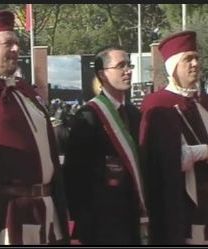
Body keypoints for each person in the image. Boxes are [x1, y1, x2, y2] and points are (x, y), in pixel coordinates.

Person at [0, 10, 69, 245]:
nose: (14, 49)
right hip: (11, 211)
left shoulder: (26, 90)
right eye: (7, 43)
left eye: (16, 43)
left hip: (47, 207)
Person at [63, 45, 148, 245]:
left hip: (132, 218)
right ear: (102, 74)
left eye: (129, 65)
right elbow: (74, 175)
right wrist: (82, 227)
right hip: (100, 223)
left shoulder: (135, 114)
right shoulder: (88, 116)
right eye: (120, 66)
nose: (127, 71)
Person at [140, 30, 208, 245]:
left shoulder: (202, 102)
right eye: (188, 59)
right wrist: (204, 151)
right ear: (173, 66)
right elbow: (161, 160)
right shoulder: (157, 103)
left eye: (197, 58)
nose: (195, 64)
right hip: (179, 206)